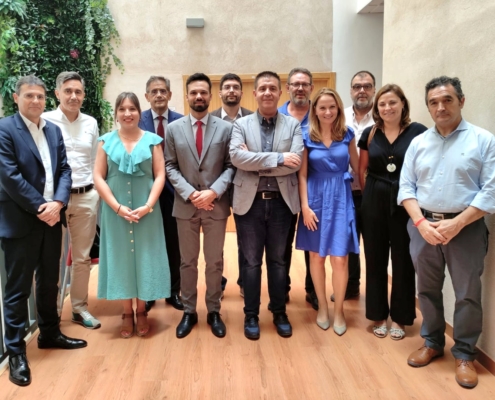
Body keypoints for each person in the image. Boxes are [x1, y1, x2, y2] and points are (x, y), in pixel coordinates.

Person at [398, 76, 495, 389]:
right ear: (428, 107)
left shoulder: (483, 141)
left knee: (467, 293)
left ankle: (464, 352)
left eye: (447, 100)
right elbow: (406, 188)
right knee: (426, 289)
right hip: (422, 228)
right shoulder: (419, 142)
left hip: (465, 229)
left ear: (461, 101)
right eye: (433, 102)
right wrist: (421, 223)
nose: (440, 107)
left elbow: (490, 191)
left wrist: (457, 223)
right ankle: (432, 342)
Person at [0, 75, 87, 387]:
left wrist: (59, 202)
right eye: (29, 96)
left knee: (49, 282)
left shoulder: (52, 130)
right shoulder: (4, 129)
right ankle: (16, 353)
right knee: (18, 290)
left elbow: (64, 169)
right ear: (16, 98)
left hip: (52, 219)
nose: (35, 101)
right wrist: (42, 207)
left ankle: (49, 333)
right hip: (22, 221)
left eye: (39, 96)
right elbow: (9, 176)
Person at [230, 71, 303, 340]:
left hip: (283, 204)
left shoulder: (293, 125)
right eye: (263, 88)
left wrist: (257, 162)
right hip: (249, 204)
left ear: (280, 92)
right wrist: (278, 159)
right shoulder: (241, 124)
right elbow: (237, 157)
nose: (268, 92)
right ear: (255, 93)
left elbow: (295, 162)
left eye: (273, 88)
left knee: (278, 261)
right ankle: (251, 315)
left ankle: (279, 311)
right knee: (250, 263)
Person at [94, 92, 170, 338]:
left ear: (139, 112)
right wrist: (116, 206)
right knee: (121, 258)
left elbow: (160, 175)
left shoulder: (153, 140)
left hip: (147, 210)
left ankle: (142, 309)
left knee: (146, 256)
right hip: (115, 212)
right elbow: (98, 176)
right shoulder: (105, 142)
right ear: (116, 113)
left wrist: (148, 205)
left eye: (132, 109)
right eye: (122, 109)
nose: (127, 113)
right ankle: (127, 311)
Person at [165, 73, 234, 339]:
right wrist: (191, 193)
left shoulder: (226, 129)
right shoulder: (174, 129)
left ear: (210, 95)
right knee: (188, 262)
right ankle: (189, 311)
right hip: (186, 205)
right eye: (194, 92)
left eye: (203, 92)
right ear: (187, 95)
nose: (198, 97)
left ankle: (214, 310)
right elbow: (170, 165)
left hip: (215, 206)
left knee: (214, 261)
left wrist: (213, 192)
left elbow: (230, 166)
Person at [358, 84, 427, 340]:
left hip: (405, 200)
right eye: (382, 104)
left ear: (402, 104)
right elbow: (362, 170)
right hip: (374, 198)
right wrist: (371, 197)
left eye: (392, 103)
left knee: (403, 260)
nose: (387, 108)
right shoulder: (369, 133)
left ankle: (400, 317)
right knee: (374, 258)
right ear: (377, 108)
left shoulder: (418, 132)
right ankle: (377, 313)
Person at [295, 88, 359, 336]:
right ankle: (322, 306)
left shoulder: (347, 134)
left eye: (332, 107)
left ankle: (339, 309)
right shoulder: (305, 135)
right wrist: (305, 207)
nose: (328, 111)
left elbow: (356, 166)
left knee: (340, 257)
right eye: (322, 107)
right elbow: (301, 175)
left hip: (341, 197)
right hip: (315, 198)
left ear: (338, 109)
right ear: (315, 110)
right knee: (316, 257)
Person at [43, 71, 101, 329]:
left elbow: (93, 161)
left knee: (82, 258)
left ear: (84, 95)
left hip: (85, 195)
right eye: (68, 91)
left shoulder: (90, 122)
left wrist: (96, 192)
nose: (73, 96)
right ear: (57, 94)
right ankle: (50, 313)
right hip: (54, 201)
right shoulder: (45, 120)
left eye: (78, 92)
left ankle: (79, 308)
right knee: (51, 258)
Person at [138, 75, 184, 312]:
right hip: (146, 194)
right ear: (147, 96)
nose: (159, 95)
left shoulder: (181, 121)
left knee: (173, 244)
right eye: (154, 91)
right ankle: (149, 291)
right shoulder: (138, 120)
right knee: (149, 244)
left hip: (175, 193)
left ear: (170, 95)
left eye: (163, 91)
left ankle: (173, 292)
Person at [334, 71, 376, 303]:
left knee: (371, 242)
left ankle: (375, 294)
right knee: (348, 241)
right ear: (350, 90)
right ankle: (350, 287)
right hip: (344, 191)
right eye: (357, 86)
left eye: (367, 86)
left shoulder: (381, 117)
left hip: (371, 192)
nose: (362, 90)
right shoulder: (340, 117)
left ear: (373, 90)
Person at [210, 73, 253, 297]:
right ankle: (218, 282)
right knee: (216, 241)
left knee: (245, 239)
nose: (231, 91)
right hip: (218, 187)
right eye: (227, 87)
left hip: (248, 185)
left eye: (236, 87)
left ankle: (246, 282)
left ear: (241, 92)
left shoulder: (253, 119)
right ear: (220, 93)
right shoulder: (210, 119)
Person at [278, 67, 318, 311]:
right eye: (296, 84)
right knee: (281, 242)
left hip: (314, 188)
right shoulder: (278, 115)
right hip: (282, 186)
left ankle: (313, 290)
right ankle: (281, 288)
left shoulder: (323, 113)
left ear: (311, 88)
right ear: (288, 88)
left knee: (312, 243)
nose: (300, 88)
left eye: (305, 84)